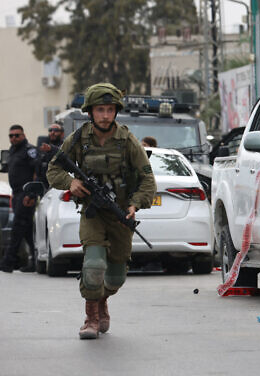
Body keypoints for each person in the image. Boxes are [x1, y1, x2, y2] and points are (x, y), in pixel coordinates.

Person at [47, 83, 156, 340]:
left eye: (110, 110)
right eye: (100, 110)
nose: (105, 115)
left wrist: (134, 204)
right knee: (94, 265)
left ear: (116, 112)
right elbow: (53, 170)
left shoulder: (127, 140)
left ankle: (102, 300)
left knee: (116, 278)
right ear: (90, 112)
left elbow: (147, 180)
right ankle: (91, 318)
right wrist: (71, 183)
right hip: (92, 214)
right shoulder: (78, 140)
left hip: (120, 215)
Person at [0, 125, 39, 273]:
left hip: (26, 193)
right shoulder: (12, 151)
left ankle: (8, 262)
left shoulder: (29, 150)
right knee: (27, 230)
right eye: (11, 136)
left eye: (17, 135)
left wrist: (31, 194)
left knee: (17, 227)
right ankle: (34, 262)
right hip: (16, 194)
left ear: (23, 135)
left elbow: (37, 171)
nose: (14, 138)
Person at [37, 123, 65, 189]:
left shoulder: (64, 147)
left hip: (58, 184)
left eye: (56, 130)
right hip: (43, 185)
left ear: (62, 134)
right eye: (50, 130)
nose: (52, 132)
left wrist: (52, 150)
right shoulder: (43, 147)